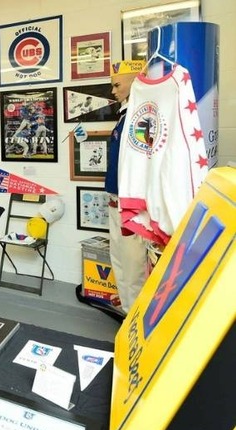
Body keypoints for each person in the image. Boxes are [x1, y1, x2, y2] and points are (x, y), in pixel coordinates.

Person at [105, 60, 147, 314]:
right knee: (119, 260)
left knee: (134, 267)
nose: (113, 91)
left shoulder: (141, 117)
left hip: (132, 204)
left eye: (117, 85)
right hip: (115, 201)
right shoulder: (124, 116)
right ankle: (127, 312)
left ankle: (135, 317)